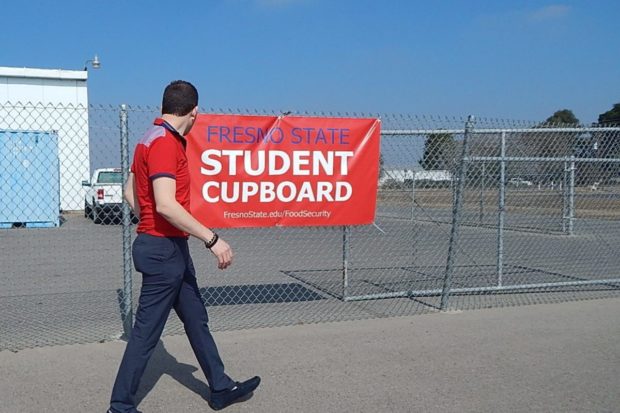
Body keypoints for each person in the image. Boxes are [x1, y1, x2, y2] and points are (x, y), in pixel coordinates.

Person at [108, 80, 260, 413]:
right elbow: (165, 204)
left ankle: (220, 387)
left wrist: (148, 222)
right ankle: (119, 406)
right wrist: (213, 239)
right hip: (163, 251)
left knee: (195, 318)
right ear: (193, 112)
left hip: (167, 246)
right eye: (196, 115)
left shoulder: (148, 139)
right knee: (146, 334)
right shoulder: (165, 143)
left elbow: (130, 193)